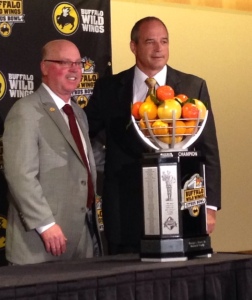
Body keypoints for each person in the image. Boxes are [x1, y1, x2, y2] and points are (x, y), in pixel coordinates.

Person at [84, 17, 221, 255]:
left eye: (164, 41)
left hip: (181, 207)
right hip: (124, 211)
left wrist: (209, 207)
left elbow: (208, 151)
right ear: (133, 46)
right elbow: (84, 133)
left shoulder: (193, 87)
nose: (159, 49)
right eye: (150, 42)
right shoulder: (108, 88)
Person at [3, 39, 102, 265]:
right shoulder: (26, 111)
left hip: (81, 241)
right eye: (65, 62)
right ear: (44, 67)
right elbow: (20, 175)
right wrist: (45, 225)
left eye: (78, 63)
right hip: (41, 243)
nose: (74, 69)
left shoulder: (78, 113)